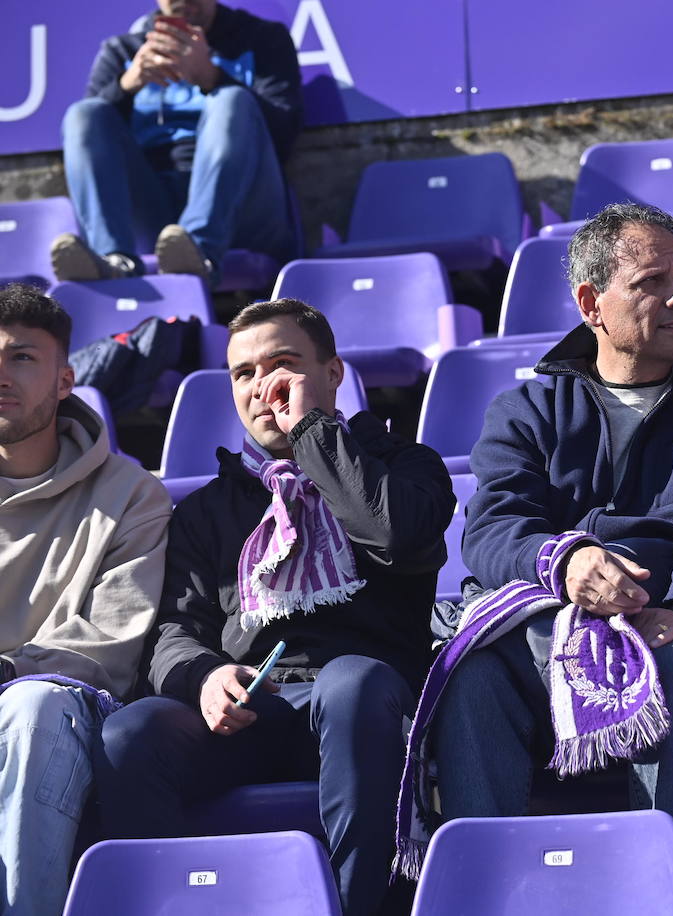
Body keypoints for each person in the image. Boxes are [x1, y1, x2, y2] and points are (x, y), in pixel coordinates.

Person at [408, 204, 673, 900]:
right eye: (651, 282)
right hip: (552, 632)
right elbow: (490, 533)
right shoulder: (526, 410)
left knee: (672, 673)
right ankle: (483, 898)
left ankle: (668, 900)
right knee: (474, 671)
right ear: (592, 304)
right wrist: (569, 562)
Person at [96, 298, 454, 916]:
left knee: (352, 682)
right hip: (253, 711)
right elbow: (177, 627)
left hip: (365, 706)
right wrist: (204, 677)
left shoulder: (404, 466)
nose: (265, 387)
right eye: (244, 374)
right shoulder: (209, 509)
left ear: (334, 373)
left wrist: (314, 434)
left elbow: (397, 535)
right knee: (133, 732)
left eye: (284, 364)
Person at [0, 284, 170, 916]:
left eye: (21, 358)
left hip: (59, 707)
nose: (1, 376)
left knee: (32, 706)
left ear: (66, 379)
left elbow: (111, 644)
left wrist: (10, 672)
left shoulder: (132, 494)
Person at [52, 0, 302, 285]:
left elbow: (284, 134)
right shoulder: (121, 51)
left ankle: (199, 253)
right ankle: (113, 261)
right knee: (84, 113)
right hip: (153, 209)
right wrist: (126, 86)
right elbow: (86, 143)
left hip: (242, 208)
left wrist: (213, 77)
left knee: (231, 99)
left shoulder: (262, 38)